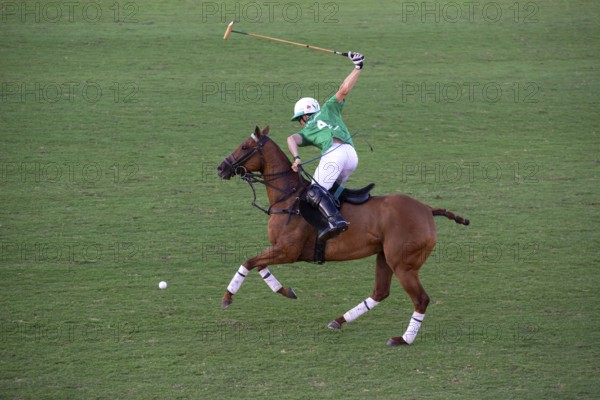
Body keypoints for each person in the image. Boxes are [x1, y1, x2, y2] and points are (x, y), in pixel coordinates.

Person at [287, 52, 364, 241]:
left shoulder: (307, 131)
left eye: (300, 120)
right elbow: (344, 89)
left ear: (305, 116)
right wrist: (357, 67)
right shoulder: (330, 107)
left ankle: (335, 221)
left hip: (334, 155)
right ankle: (337, 213)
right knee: (331, 190)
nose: (301, 124)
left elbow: (291, 139)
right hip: (351, 155)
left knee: (314, 191)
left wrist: (296, 158)